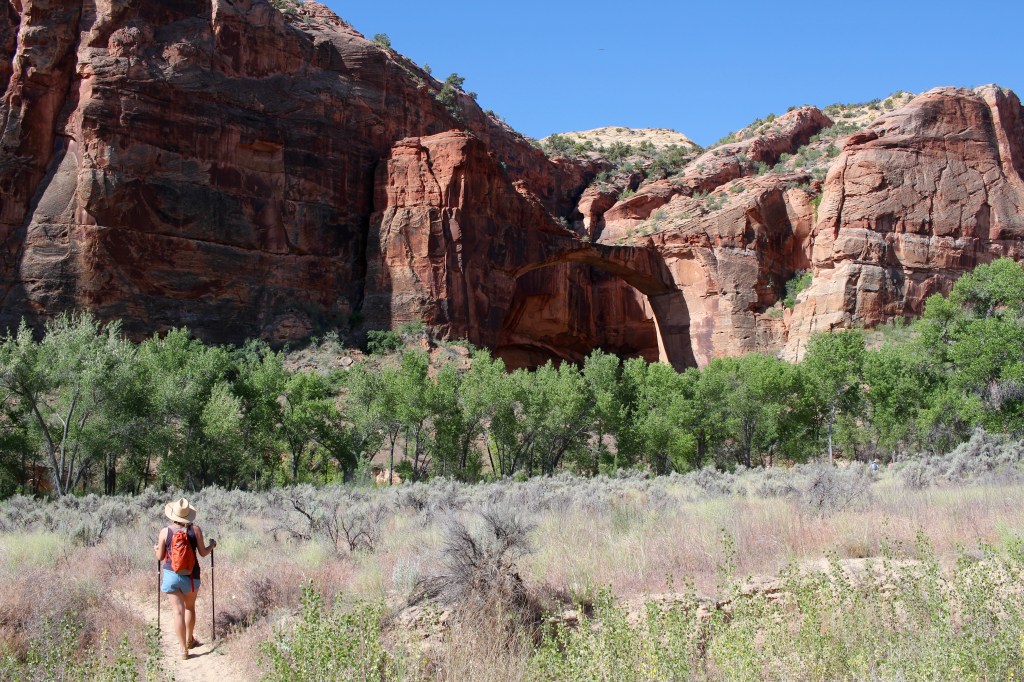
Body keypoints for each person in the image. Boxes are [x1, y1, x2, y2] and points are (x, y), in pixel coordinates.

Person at [153, 497, 216, 660]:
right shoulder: (195, 530)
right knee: (189, 608)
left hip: (171, 576)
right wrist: (212, 545)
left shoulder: (165, 532)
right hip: (191, 576)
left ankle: (183, 650)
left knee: (177, 611)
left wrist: (156, 549)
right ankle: (190, 640)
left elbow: (160, 557)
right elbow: (202, 553)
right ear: (188, 516)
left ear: (173, 515)